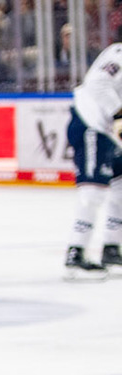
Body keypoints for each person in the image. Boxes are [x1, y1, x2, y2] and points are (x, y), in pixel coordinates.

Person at [62, 42, 122, 279]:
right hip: (92, 125)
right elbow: (97, 82)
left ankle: (111, 248)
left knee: (120, 186)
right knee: (92, 191)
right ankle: (76, 252)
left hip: (109, 131)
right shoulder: (119, 53)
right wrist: (118, 113)